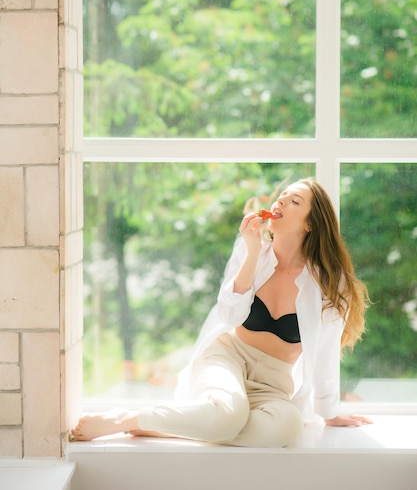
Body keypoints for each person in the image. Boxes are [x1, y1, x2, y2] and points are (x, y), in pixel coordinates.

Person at [69, 177, 371, 447]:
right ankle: (128, 420)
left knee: (287, 429)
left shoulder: (331, 282)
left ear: (310, 224)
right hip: (228, 357)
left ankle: (180, 426)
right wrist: (252, 252)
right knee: (228, 415)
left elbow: (326, 352)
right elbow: (229, 316)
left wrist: (328, 413)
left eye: (295, 201)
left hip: (273, 383)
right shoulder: (250, 250)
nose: (280, 201)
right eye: (282, 196)